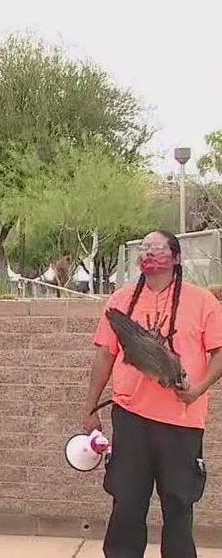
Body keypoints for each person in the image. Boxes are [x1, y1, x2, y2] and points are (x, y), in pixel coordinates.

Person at [81, 230, 222, 558]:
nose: (149, 253)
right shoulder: (120, 300)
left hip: (182, 422)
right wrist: (90, 408)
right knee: (127, 502)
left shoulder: (202, 301)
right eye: (144, 248)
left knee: (178, 503)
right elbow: (105, 355)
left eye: (157, 248)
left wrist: (197, 390)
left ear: (176, 257)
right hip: (130, 419)